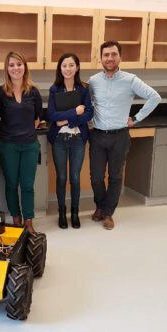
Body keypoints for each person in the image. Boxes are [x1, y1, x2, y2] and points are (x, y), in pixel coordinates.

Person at [88, 40, 161, 230]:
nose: (110, 58)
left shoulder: (130, 80)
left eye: (113, 54)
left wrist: (136, 118)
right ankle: (100, 207)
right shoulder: (93, 81)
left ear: (120, 56)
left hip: (120, 136)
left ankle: (108, 213)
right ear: (101, 58)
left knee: (115, 176)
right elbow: (87, 105)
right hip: (97, 135)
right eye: (106, 55)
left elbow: (155, 97)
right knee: (96, 177)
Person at [0, 51, 41, 233]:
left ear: (24, 67)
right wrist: (7, 135)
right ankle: (16, 218)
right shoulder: (0, 92)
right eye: (12, 65)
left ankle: (28, 222)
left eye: (19, 64)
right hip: (8, 146)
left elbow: (37, 118)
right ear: (7, 68)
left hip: (30, 145)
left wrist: (26, 132)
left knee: (28, 185)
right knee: (12, 184)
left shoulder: (33, 91)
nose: (16, 68)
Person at [47, 53, 94, 229]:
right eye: (64, 65)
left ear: (77, 67)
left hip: (78, 140)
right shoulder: (54, 89)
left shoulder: (83, 89)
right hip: (59, 139)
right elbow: (51, 115)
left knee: (74, 178)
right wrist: (75, 112)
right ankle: (61, 212)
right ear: (60, 68)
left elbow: (89, 113)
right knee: (61, 177)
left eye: (71, 65)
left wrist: (66, 120)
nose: (68, 68)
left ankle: (74, 212)